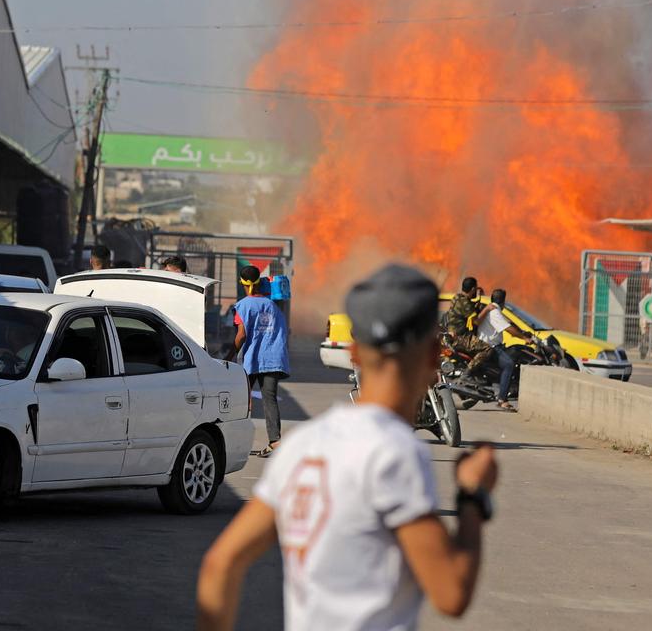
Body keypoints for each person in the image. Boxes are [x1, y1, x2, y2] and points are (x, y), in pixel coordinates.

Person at [197, 264, 497, 631]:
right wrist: (473, 494)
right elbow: (451, 594)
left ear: (354, 352)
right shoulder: (396, 452)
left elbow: (221, 564)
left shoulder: (303, 445)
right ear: (434, 356)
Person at [225, 265, 290, 457]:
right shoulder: (273, 306)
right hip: (272, 358)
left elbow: (241, 336)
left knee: (242, 400)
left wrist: (228, 357)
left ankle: (235, 443)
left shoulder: (242, 305)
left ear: (243, 284)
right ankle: (275, 441)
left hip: (251, 359)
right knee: (269, 399)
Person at [476, 288, 531, 411]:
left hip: (492, 345)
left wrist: (522, 331)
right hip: (491, 347)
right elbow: (507, 328)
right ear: (503, 301)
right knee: (509, 364)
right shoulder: (494, 312)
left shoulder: (495, 311)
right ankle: (502, 399)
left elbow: (509, 323)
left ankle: (498, 386)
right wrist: (524, 338)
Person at [444, 276, 491, 374]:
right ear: (473, 289)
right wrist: (487, 309)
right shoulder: (465, 302)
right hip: (460, 337)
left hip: (455, 336)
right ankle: (468, 374)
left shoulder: (457, 297)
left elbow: (471, 309)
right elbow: (477, 321)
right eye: (475, 289)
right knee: (487, 349)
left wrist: (479, 299)